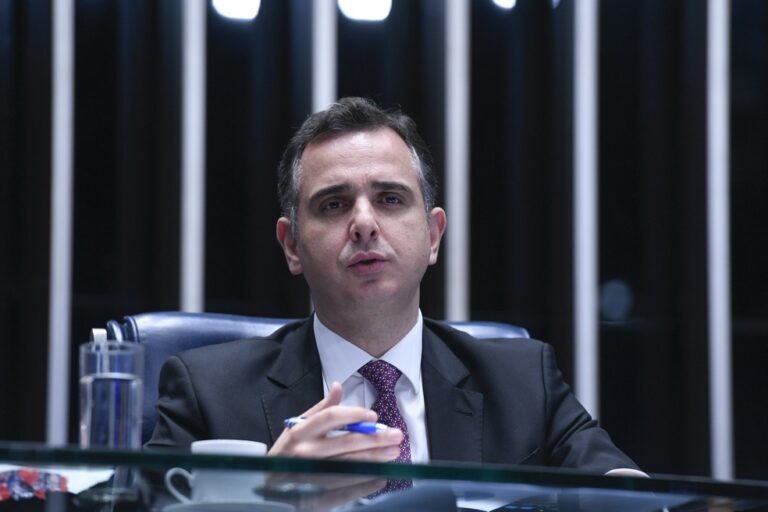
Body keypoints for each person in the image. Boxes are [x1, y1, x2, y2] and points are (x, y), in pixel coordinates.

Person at [146, 97, 639, 474]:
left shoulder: (524, 383)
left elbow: (627, 494)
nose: (364, 224)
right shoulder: (208, 394)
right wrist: (270, 497)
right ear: (292, 245)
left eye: (390, 199)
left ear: (433, 235)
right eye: (334, 204)